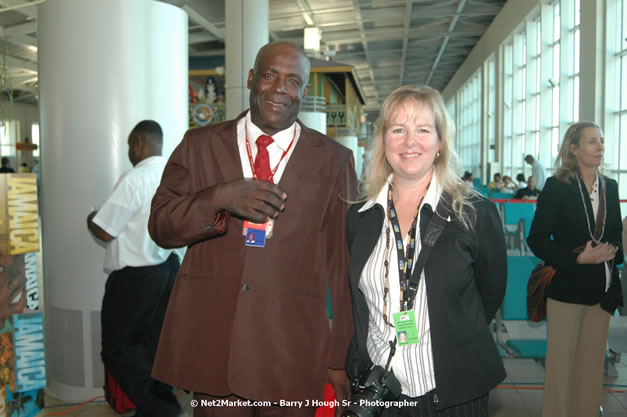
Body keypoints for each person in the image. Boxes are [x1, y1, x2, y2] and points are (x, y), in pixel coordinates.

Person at [148, 41, 357, 417]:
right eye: (270, 75)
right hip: (216, 347)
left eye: (293, 81)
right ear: (250, 78)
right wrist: (217, 198)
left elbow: (343, 265)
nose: (280, 88)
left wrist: (339, 355)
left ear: (304, 92)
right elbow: (161, 227)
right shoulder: (198, 146)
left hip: (291, 351)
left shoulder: (334, 160)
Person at [345, 85, 507, 416]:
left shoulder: (474, 213)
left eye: (422, 130)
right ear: (384, 141)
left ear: (440, 142)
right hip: (382, 389)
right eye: (398, 130)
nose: (409, 142)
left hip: (454, 390)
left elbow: (489, 293)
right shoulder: (359, 216)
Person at [86, 120, 184, 417]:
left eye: (131, 145)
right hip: (167, 270)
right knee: (151, 346)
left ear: (139, 144)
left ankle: (164, 410)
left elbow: (104, 230)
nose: (130, 151)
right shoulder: (175, 176)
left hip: (136, 276)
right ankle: (154, 407)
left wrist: (91, 217)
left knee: (117, 349)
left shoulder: (135, 178)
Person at [527, 121, 623, 417]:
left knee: (592, 365)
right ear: (574, 149)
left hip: (601, 290)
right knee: (561, 365)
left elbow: (616, 233)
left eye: (602, 141)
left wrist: (613, 250)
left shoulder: (611, 186)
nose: (600, 147)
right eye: (592, 141)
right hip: (567, 287)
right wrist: (578, 259)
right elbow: (537, 239)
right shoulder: (558, 186)